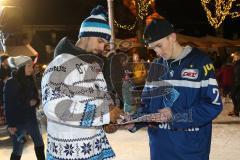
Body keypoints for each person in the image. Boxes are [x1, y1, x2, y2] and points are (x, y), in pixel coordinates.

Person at [127, 18, 223, 160]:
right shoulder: (156, 66)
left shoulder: (201, 63)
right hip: (160, 149)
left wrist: (177, 115)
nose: (157, 52)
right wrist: (135, 120)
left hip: (190, 150)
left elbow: (213, 106)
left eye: (159, 45)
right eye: (153, 48)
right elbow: (147, 105)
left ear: (172, 37)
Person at [41, 5, 122, 160]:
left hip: (94, 148)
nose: (101, 48)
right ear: (85, 36)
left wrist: (108, 120)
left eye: (105, 44)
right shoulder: (61, 63)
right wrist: (104, 115)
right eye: (99, 41)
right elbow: (56, 108)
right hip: (69, 152)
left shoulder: (94, 67)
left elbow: (102, 97)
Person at [4, 56, 45, 160]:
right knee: (18, 149)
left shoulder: (30, 79)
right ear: (21, 68)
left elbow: (35, 96)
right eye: (29, 66)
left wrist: (36, 101)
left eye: (32, 66)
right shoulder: (11, 82)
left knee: (39, 143)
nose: (31, 69)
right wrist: (11, 125)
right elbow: (9, 105)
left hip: (31, 119)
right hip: (18, 122)